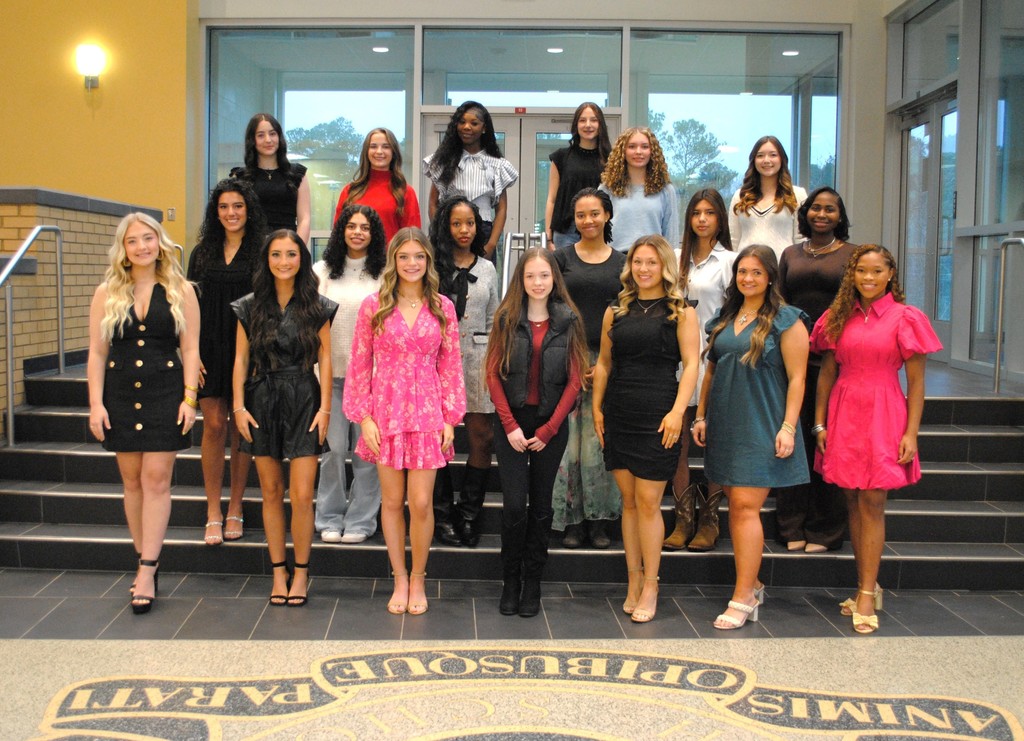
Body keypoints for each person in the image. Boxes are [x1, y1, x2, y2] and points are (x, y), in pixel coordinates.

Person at [811, 244, 941, 634]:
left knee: (873, 501)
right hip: (844, 412)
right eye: (861, 271)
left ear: (890, 276)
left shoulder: (906, 318)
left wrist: (911, 433)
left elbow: (916, 385)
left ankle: (867, 593)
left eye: (876, 272)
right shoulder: (838, 317)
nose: (868, 278)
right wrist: (819, 424)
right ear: (852, 275)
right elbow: (826, 375)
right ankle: (866, 583)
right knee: (851, 497)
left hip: (885, 411)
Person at [344, 227, 467, 615]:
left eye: (419, 256)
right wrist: (363, 416)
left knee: (421, 502)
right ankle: (398, 576)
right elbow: (359, 363)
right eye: (404, 256)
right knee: (393, 501)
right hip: (387, 410)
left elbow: (451, 363)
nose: (411, 263)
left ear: (428, 261)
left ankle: (419, 577)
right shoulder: (373, 305)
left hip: (429, 410)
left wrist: (451, 417)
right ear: (393, 261)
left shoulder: (442, 306)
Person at [87, 213, 200, 614]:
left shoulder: (180, 289)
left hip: (164, 392)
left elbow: (190, 350)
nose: (141, 247)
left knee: (157, 480)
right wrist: (96, 403)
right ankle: (143, 558)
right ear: (124, 248)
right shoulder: (106, 292)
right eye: (133, 241)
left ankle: (148, 569)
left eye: (148, 238)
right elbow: (98, 353)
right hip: (119, 394)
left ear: (159, 242)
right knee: (132, 481)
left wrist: (189, 400)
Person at [692, 245, 809, 630]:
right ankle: (753, 582)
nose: (747, 279)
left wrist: (789, 427)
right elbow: (710, 372)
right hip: (726, 421)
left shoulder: (787, 321)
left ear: (771, 277)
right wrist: (702, 415)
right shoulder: (725, 318)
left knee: (744, 506)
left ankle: (742, 597)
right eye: (742, 272)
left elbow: (797, 379)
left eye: (756, 272)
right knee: (734, 502)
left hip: (763, 422)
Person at [593, 236, 699, 623]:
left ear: (664, 266)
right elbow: (603, 364)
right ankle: (633, 579)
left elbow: (691, 365)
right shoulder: (615, 310)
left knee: (650, 502)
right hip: (620, 410)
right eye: (637, 262)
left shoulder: (682, 312)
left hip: (659, 413)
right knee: (630, 502)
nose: (643, 269)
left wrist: (677, 413)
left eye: (651, 263)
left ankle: (652, 584)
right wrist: (597, 408)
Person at [232, 230, 337, 607]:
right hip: (262, 397)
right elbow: (241, 359)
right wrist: (238, 407)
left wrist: (326, 408)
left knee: (304, 494)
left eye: (291, 254)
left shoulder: (318, 305)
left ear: (302, 259)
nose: (283, 261)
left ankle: (303, 573)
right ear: (266, 260)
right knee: (272, 492)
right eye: (275, 254)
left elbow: (326, 359)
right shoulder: (248, 306)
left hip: (306, 397)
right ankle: (279, 571)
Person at [486, 248, 587, 617]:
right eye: (531, 276)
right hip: (511, 424)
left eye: (544, 275)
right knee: (514, 506)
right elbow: (493, 375)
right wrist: (510, 425)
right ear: (521, 280)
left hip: (550, 426)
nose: (538, 282)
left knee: (542, 506)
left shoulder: (569, 320)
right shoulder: (506, 318)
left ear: (553, 279)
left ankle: (533, 583)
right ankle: (509, 580)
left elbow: (576, 381)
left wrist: (549, 428)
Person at [775, 186, 858, 553]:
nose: (822, 214)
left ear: (840, 217)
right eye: (816, 208)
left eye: (830, 210)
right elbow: (779, 303)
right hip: (794, 360)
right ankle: (791, 525)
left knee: (828, 444)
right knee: (793, 444)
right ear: (805, 213)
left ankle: (825, 529)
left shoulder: (852, 256)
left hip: (836, 362)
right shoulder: (791, 254)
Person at [188, 178, 267, 547]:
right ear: (215, 212)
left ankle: (236, 505)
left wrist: (259, 354)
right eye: (223, 207)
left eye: (237, 206)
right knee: (214, 424)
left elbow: (267, 306)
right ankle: (212, 511)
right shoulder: (202, 252)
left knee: (240, 427)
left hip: (247, 350)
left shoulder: (261, 251)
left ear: (248, 209)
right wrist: (189, 353)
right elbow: (188, 307)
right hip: (207, 347)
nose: (231, 213)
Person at [552, 188, 627, 549]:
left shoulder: (624, 263)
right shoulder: (561, 259)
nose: (588, 221)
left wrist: (607, 365)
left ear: (607, 215)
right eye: (581, 215)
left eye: (595, 213)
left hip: (609, 361)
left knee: (598, 443)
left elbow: (628, 317)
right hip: (567, 357)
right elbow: (550, 309)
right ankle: (572, 520)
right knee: (570, 445)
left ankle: (600, 520)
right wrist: (572, 357)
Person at [664, 189, 736, 553]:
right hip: (678, 362)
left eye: (710, 213)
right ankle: (683, 518)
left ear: (721, 219)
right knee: (677, 441)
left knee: (714, 445)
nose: (703, 219)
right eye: (696, 213)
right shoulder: (675, 260)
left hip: (714, 362)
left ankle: (710, 520)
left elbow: (735, 313)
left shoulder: (730, 261)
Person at [429, 196, 500, 548]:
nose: (463, 230)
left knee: (481, 436)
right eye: (456, 223)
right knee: (435, 438)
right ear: (446, 225)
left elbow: (494, 319)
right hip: (436, 360)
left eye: (469, 223)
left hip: (478, 358)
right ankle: (442, 514)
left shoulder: (487, 268)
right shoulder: (431, 266)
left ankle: (470, 514)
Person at [313, 204, 387, 544]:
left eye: (365, 227)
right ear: (341, 229)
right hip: (329, 378)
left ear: (374, 235)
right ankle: (329, 516)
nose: (358, 232)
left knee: (366, 453)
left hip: (372, 382)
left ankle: (360, 520)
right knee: (333, 451)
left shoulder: (385, 274)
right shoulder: (322, 271)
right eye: (352, 226)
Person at [423, 101, 519, 259]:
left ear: (484, 128)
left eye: (474, 123)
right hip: (450, 231)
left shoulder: (497, 164)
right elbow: (433, 202)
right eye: (462, 122)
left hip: (483, 232)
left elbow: (501, 209)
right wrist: (439, 234)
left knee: (481, 281)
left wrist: (491, 244)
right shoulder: (444, 160)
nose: (466, 127)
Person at [231, 113, 311, 243]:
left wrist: (296, 249)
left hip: (288, 246)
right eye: (261, 135)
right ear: (252, 140)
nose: (268, 140)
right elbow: (237, 220)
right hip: (252, 249)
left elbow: (304, 219)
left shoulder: (298, 174)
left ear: (279, 137)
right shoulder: (240, 177)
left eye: (272, 134)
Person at [333, 128, 421, 242]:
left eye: (386, 146)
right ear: (366, 152)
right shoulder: (349, 191)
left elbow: (412, 238)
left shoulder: (406, 192)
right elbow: (337, 235)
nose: (379, 151)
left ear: (393, 152)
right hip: (354, 259)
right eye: (373, 146)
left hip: (390, 259)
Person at [544, 102, 612, 249]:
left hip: (600, 230)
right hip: (566, 233)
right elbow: (552, 199)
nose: (588, 125)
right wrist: (548, 237)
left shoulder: (611, 159)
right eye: (582, 120)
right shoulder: (561, 157)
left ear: (601, 125)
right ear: (576, 125)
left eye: (594, 120)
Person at [599, 127, 679, 251]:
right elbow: (599, 231)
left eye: (644, 147)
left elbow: (671, 234)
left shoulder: (666, 190)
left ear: (652, 151)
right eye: (632, 146)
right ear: (622, 152)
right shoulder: (607, 189)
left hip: (653, 259)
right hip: (616, 259)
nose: (638, 151)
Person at [728, 135, 807, 259]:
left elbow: (801, 238)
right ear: (753, 160)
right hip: (747, 272)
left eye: (773, 155)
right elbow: (733, 239)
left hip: (783, 270)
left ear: (782, 159)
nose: (766, 160)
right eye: (760, 155)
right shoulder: (740, 196)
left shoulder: (797, 194)